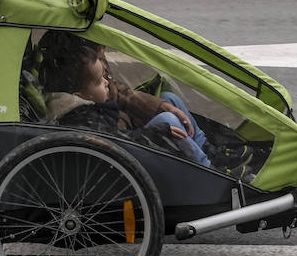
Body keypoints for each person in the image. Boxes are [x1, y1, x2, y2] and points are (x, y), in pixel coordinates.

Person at [36, 32, 211, 167]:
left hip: (127, 136)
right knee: (168, 119)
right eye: (99, 80)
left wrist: (164, 106)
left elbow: (121, 94)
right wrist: (157, 131)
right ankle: (209, 169)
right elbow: (118, 142)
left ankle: (207, 150)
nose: (106, 79)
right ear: (80, 95)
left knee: (169, 100)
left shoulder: (84, 93)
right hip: (126, 153)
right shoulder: (84, 117)